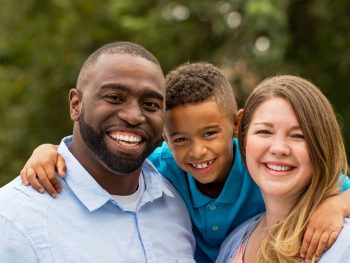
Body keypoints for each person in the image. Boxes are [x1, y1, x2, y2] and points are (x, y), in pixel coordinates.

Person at [20, 64, 350, 262]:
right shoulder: (161, 167)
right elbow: (102, 158)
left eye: (210, 134)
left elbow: (331, 183)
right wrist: (50, 150)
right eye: (180, 139)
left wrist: (336, 206)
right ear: (163, 137)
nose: (197, 151)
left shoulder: (260, 164)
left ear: (237, 126)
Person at [0, 42, 196, 262]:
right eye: (114, 97)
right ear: (76, 104)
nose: (133, 116)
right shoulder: (15, 219)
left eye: (150, 104)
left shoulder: (176, 203)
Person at [216, 75, 350, 263]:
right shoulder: (233, 244)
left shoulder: (343, 245)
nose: (279, 148)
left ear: (321, 146)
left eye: (298, 135)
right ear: (244, 140)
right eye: (264, 132)